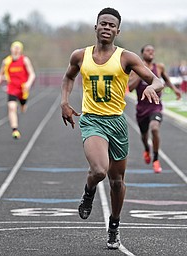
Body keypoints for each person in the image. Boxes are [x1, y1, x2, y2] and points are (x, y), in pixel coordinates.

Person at [60, 8, 164, 249]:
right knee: (99, 170)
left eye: (111, 25)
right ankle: (89, 192)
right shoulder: (80, 55)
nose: (106, 28)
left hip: (116, 122)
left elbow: (156, 79)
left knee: (117, 182)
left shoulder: (126, 57)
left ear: (118, 30)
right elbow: (68, 77)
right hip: (92, 120)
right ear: (95, 27)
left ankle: (114, 226)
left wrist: (153, 88)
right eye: (103, 24)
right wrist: (64, 102)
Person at [128, 45, 181, 173]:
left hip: (155, 106)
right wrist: (142, 74)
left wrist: (175, 90)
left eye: (152, 51)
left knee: (155, 128)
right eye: (148, 51)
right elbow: (130, 88)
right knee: (144, 136)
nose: (151, 52)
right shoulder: (136, 70)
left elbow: (166, 80)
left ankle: (156, 160)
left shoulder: (159, 67)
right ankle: (147, 149)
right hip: (141, 109)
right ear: (142, 54)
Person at [0, 41, 36, 139]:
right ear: (11, 49)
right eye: (14, 47)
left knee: (23, 108)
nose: (16, 50)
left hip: (23, 88)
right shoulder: (6, 61)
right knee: (12, 107)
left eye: (18, 48)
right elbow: (0, 74)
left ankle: (23, 104)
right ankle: (15, 130)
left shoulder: (25, 60)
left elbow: (32, 74)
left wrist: (28, 84)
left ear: (21, 50)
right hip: (12, 88)